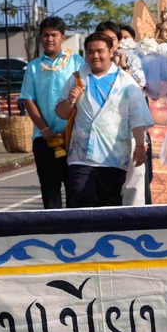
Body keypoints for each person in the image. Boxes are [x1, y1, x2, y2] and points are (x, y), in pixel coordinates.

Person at [55, 29, 154, 207]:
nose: (95, 56)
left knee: (109, 206)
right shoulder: (77, 79)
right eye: (90, 52)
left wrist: (140, 146)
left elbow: (137, 116)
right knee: (80, 199)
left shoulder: (125, 82)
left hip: (113, 157)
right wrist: (70, 101)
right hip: (81, 155)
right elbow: (61, 113)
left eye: (100, 51)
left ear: (110, 52)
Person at [17, 17, 79, 209]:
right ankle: (53, 225)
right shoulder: (34, 67)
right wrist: (44, 129)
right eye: (45, 35)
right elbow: (28, 99)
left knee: (75, 188)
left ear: (63, 37)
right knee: (50, 189)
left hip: (73, 136)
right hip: (44, 137)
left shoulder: (76, 62)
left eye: (54, 35)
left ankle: (77, 225)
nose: (49, 39)